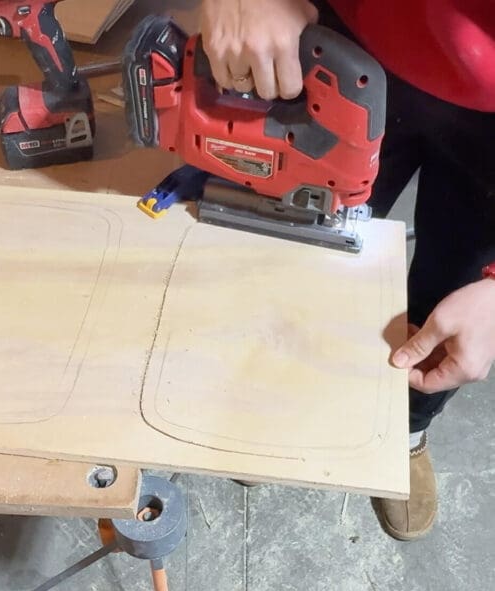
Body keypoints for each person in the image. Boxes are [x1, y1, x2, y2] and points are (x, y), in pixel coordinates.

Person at [199, 0, 495, 542]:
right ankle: (285, 395)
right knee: (307, 246)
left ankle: (405, 431)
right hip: (351, 37)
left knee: (454, 296)